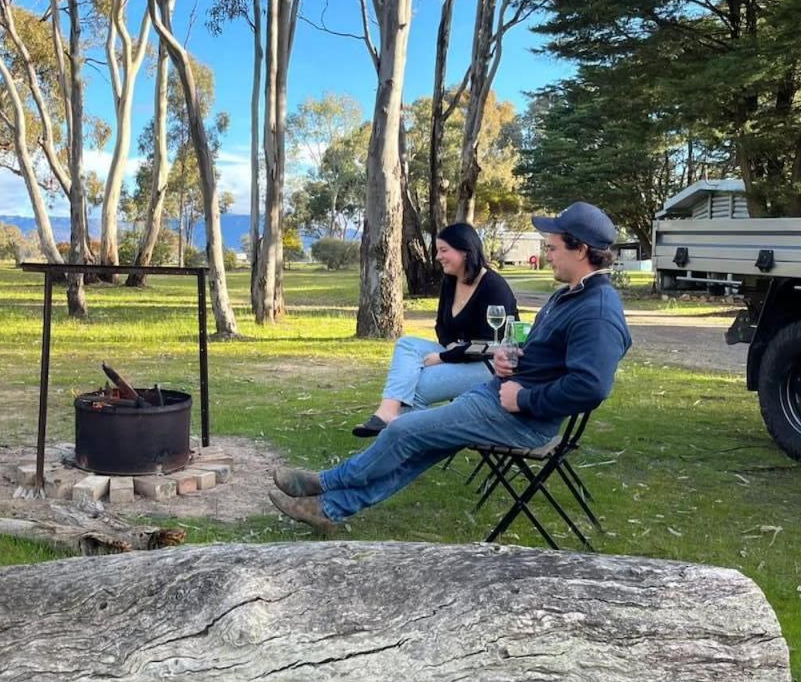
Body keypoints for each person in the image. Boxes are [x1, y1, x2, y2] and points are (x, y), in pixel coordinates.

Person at [270, 201, 632, 532]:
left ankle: (325, 483)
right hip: (498, 400)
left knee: (402, 431)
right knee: (422, 445)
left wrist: (525, 399)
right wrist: (513, 358)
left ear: (581, 249)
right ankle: (329, 510)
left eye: (552, 247)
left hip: (520, 419)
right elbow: (546, 354)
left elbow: (591, 386)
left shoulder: (596, 311)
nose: (547, 255)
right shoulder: (570, 295)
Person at [353, 222, 518, 438]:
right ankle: (388, 412)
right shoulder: (450, 281)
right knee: (406, 344)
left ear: (465, 251)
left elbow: (491, 344)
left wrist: (444, 356)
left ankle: (404, 448)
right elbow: (441, 325)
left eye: (443, 250)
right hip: (459, 353)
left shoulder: (494, 287)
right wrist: (449, 347)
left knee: (418, 387)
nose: (438, 257)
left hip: (489, 365)